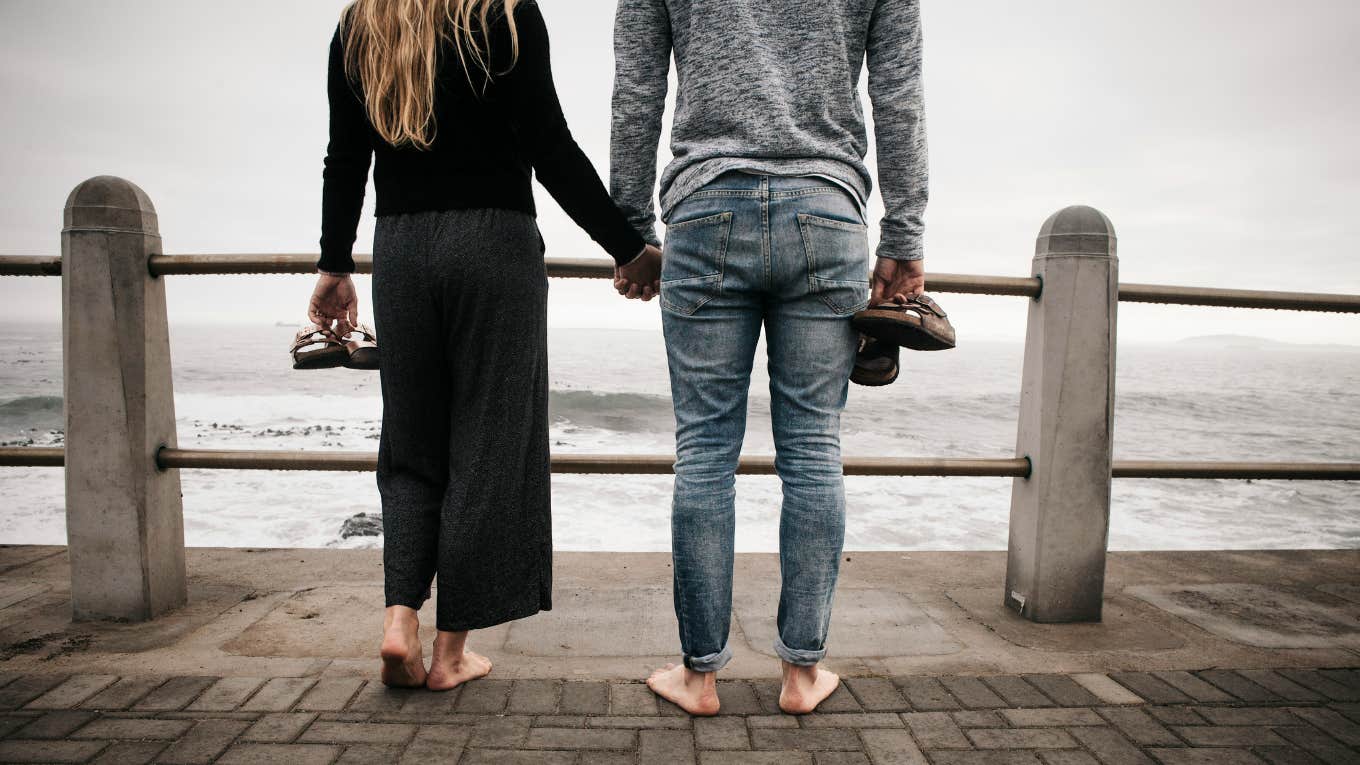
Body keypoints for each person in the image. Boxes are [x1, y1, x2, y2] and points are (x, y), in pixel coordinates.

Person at [308, 0, 662, 690]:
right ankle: (449, 654)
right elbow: (548, 143)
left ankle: (398, 619)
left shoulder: (363, 22)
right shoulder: (501, 13)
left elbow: (345, 158)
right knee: (488, 445)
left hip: (401, 249)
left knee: (410, 447)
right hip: (495, 245)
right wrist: (627, 247)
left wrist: (334, 265)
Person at [610, 0, 929, 714]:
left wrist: (630, 229)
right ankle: (801, 673)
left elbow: (637, 88)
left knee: (704, 452)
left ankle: (698, 676)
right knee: (814, 449)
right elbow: (898, 92)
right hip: (827, 207)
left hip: (704, 206)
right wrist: (904, 235)